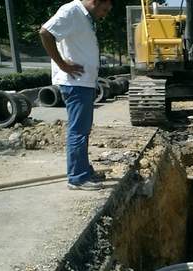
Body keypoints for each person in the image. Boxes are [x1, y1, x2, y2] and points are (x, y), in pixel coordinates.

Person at [39, 0, 113, 190]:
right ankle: (77, 178)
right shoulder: (71, 11)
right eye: (104, 9)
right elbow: (46, 32)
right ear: (95, 2)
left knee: (83, 130)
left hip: (84, 82)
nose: (104, 14)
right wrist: (63, 65)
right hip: (75, 83)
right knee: (78, 131)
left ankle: (83, 171)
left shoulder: (85, 17)